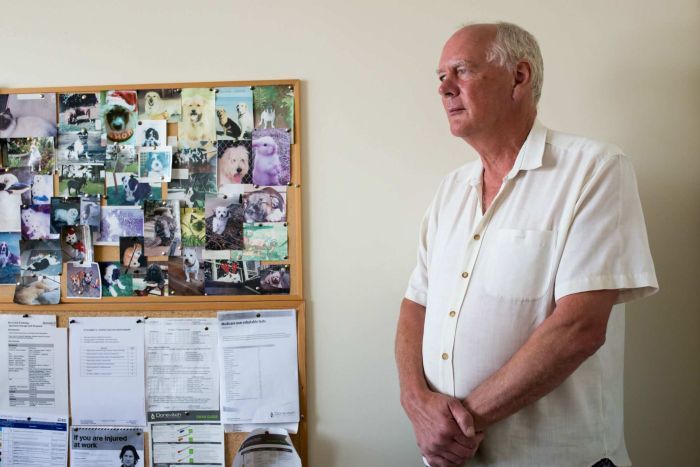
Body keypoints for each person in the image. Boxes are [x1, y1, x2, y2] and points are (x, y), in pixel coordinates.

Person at [395, 22, 658, 467]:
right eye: (441, 77)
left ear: (519, 77)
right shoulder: (451, 191)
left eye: (461, 70)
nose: (445, 89)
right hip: (452, 456)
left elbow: (579, 328)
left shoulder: (594, 170)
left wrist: (461, 426)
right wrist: (415, 403)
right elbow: (415, 305)